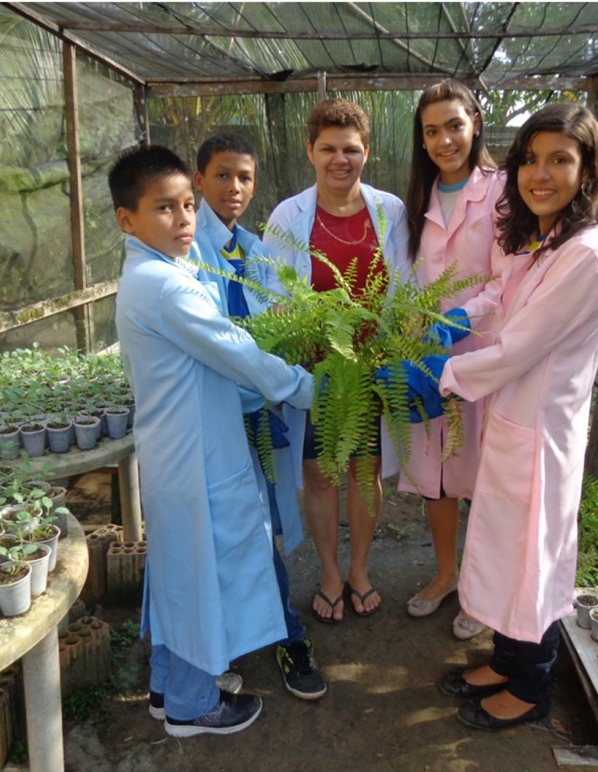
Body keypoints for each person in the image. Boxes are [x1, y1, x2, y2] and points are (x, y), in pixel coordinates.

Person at [391, 103, 598, 729]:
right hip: (511, 417)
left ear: (588, 170)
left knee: (534, 560)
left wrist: (440, 376)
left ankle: (532, 688)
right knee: (503, 548)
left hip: (541, 431)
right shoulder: (546, 239)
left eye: (560, 161)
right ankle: (505, 658)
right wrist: (459, 316)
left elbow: (521, 345)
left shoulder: (586, 254)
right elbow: (501, 293)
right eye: (531, 160)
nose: (540, 174)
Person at [110, 145, 315, 737]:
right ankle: (192, 705)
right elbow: (237, 351)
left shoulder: (159, 273)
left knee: (181, 572)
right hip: (194, 456)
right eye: (163, 209)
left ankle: (167, 687)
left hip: (181, 448)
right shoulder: (165, 287)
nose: (182, 220)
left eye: (185, 207)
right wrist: (307, 387)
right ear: (128, 220)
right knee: (198, 575)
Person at [262, 98, 410, 622]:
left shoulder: (389, 211)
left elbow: (409, 287)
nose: (339, 159)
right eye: (328, 148)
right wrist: (299, 340)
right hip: (315, 374)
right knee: (321, 474)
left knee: (364, 471)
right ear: (310, 151)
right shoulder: (288, 217)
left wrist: (394, 347)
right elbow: (270, 295)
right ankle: (329, 571)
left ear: (366, 151)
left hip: (370, 370)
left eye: (351, 149)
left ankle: (360, 569)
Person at [192, 133, 326, 700]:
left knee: (266, 529)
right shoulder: (187, 248)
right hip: (213, 416)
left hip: (258, 411)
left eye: (244, 177)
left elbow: (279, 321)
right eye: (222, 175)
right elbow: (219, 340)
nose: (235, 188)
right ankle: (214, 645)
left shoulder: (255, 247)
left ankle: (287, 636)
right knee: (217, 535)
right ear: (199, 180)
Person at [399, 80, 504, 641]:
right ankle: (445, 574)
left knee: (483, 475)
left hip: (484, 355)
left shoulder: (504, 192)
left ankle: (482, 592)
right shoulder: (417, 199)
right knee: (437, 473)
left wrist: (464, 317)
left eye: (454, 126)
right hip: (425, 359)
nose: (444, 140)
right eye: (432, 131)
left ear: (476, 123)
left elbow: (509, 279)